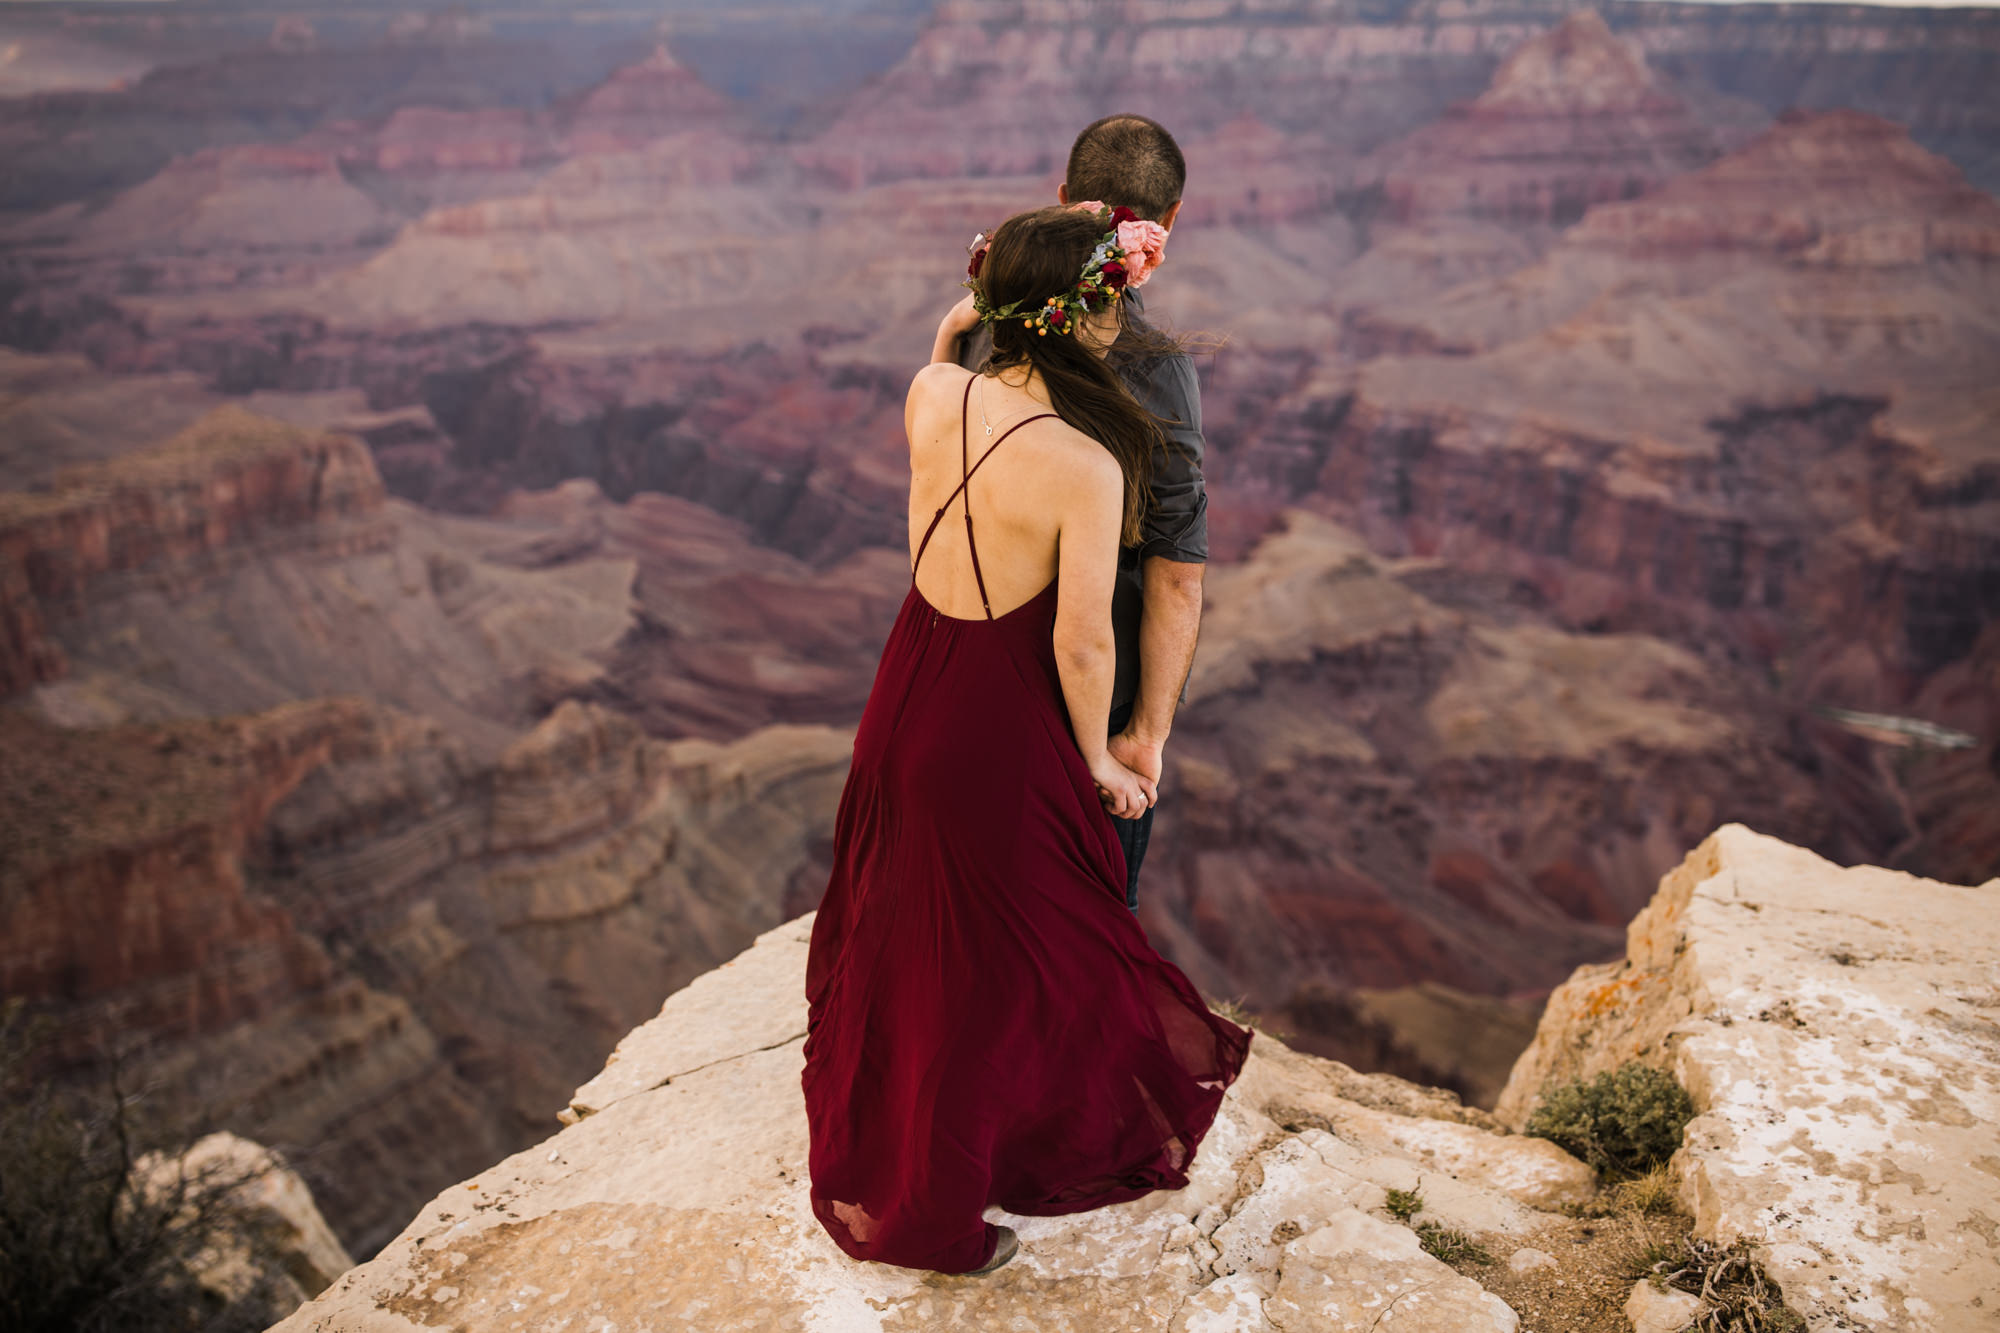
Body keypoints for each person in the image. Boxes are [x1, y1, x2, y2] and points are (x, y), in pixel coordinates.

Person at [801, 202, 1251, 1278]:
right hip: (996, 727)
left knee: (912, 945)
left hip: (907, 694)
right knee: (1002, 967)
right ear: (1083, 311)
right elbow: (1083, 639)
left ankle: (925, 1149)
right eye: (1111, 295)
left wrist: (960, 329)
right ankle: (935, 1214)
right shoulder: (1083, 464)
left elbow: (950, 359)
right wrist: (1101, 756)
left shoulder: (931, 389)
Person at [951, 113, 1206, 911]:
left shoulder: (983, 338)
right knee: (1084, 940)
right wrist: (1144, 738)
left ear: (1064, 200)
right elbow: (1172, 579)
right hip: (1090, 714)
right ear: (1167, 226)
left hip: (968, 685)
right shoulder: (1160, 374)